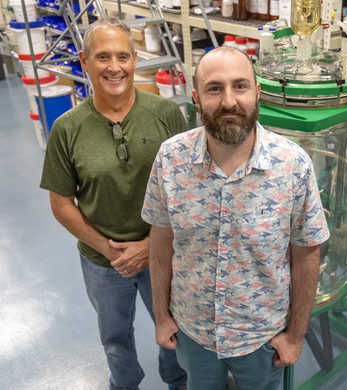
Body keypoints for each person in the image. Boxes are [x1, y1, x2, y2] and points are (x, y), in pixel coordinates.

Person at [141, 46, 330, 390]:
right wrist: (162, 315)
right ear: (196, 98)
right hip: (193, 331)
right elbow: (160, 242)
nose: (229, 101)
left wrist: (295, 335)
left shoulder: (293, 165)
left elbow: (306, 255)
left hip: (261, 337)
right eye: (215, 89)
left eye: (240, 86)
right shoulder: (170, 159)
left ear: (257, 93)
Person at [39, 18, 187, 390]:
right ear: (85, 62)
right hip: (103, 261)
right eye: (102, 57)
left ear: (135, 60)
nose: (114, 67)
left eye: (123, 56)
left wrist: (149, 246)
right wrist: (107, 248)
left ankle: (178, 379)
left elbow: (187, 190)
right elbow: (61, 202)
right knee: (115, 337)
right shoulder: (68, 128)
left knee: (174, 327)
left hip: (163, 253)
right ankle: (124, 384)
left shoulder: (166, 115)